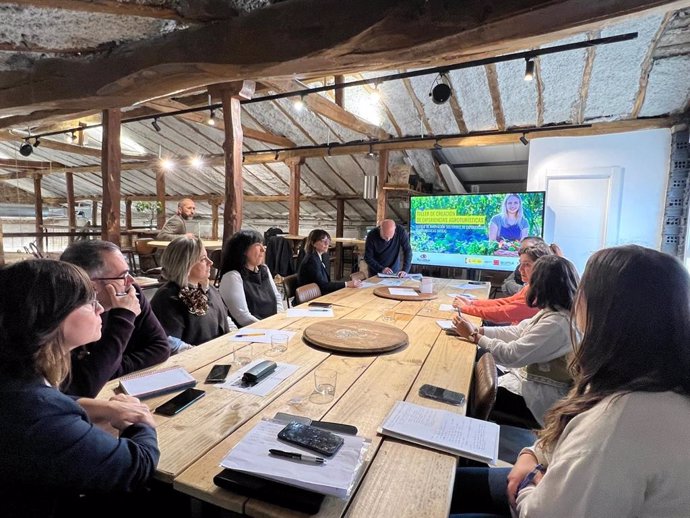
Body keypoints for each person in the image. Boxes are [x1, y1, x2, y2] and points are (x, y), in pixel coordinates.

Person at [450, 245, 690, 517]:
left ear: (605, 312)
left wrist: (529, 480)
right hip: (549, 470)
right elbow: (568, 432)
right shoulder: (645, 382)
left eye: (585, 288)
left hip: (538, 494)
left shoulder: (619, 423)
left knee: (442, 496)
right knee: (456, 484)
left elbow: (541, 512)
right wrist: (532, 455)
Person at [0, 260, 159, 517]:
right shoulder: (36, 414)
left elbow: (41, 402)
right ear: (50, 315)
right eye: (88, 301)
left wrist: (98, 406)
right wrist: (140, 422)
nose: (99, 308)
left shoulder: (15, 376)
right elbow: (135, 467)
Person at [453, 255, 579, 427]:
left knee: (467, 386)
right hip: (523, 380)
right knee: (472, 362)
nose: (526, 283)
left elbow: (512, 355)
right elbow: (517, 331)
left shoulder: (557, 323)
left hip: (534, 397)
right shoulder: (554, 312)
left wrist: (474, 336)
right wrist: (478, 330)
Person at [60, 240, 170, 398]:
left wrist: (107, 368)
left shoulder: (130, 292)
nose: (131, 281)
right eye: (123, 276)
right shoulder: (62, 315)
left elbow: (160, 348)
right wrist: (124, 316)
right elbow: (83, 387)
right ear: (92, 286)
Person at [151, 236, 231, 348]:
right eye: (203, 259)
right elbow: (171, 344)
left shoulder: (209, 289)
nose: (210, 262)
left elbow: (224, 320)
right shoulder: (168, 298)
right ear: (185, 265)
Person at [453, 244, 552, 325]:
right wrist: (472, 303)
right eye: (520, 263)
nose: (520, 269)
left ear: (541, 267)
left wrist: (465, 308)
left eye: (527, 264)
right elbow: (505, 302)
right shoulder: (531, 286)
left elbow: (503, 313)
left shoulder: (540, 294)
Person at [218, 230, 284, 327]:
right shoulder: (233, 277)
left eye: (263, 245)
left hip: (272, 326)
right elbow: (242, 317)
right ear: (244, 250)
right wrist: (268, 328)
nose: (263, 249)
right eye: (258, 245)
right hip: (250, 332)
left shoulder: (264, 269)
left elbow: (277, 298)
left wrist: (280, 320)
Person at [298, 229, 362, 295]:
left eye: (328, 241)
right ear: (313, 243)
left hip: (318, 293)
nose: (327, 244)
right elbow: (323, 286)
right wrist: (346, 284)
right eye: (323, 241)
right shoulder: (311, 260)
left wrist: (347, 284)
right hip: (311, 298)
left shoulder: (317, 256)